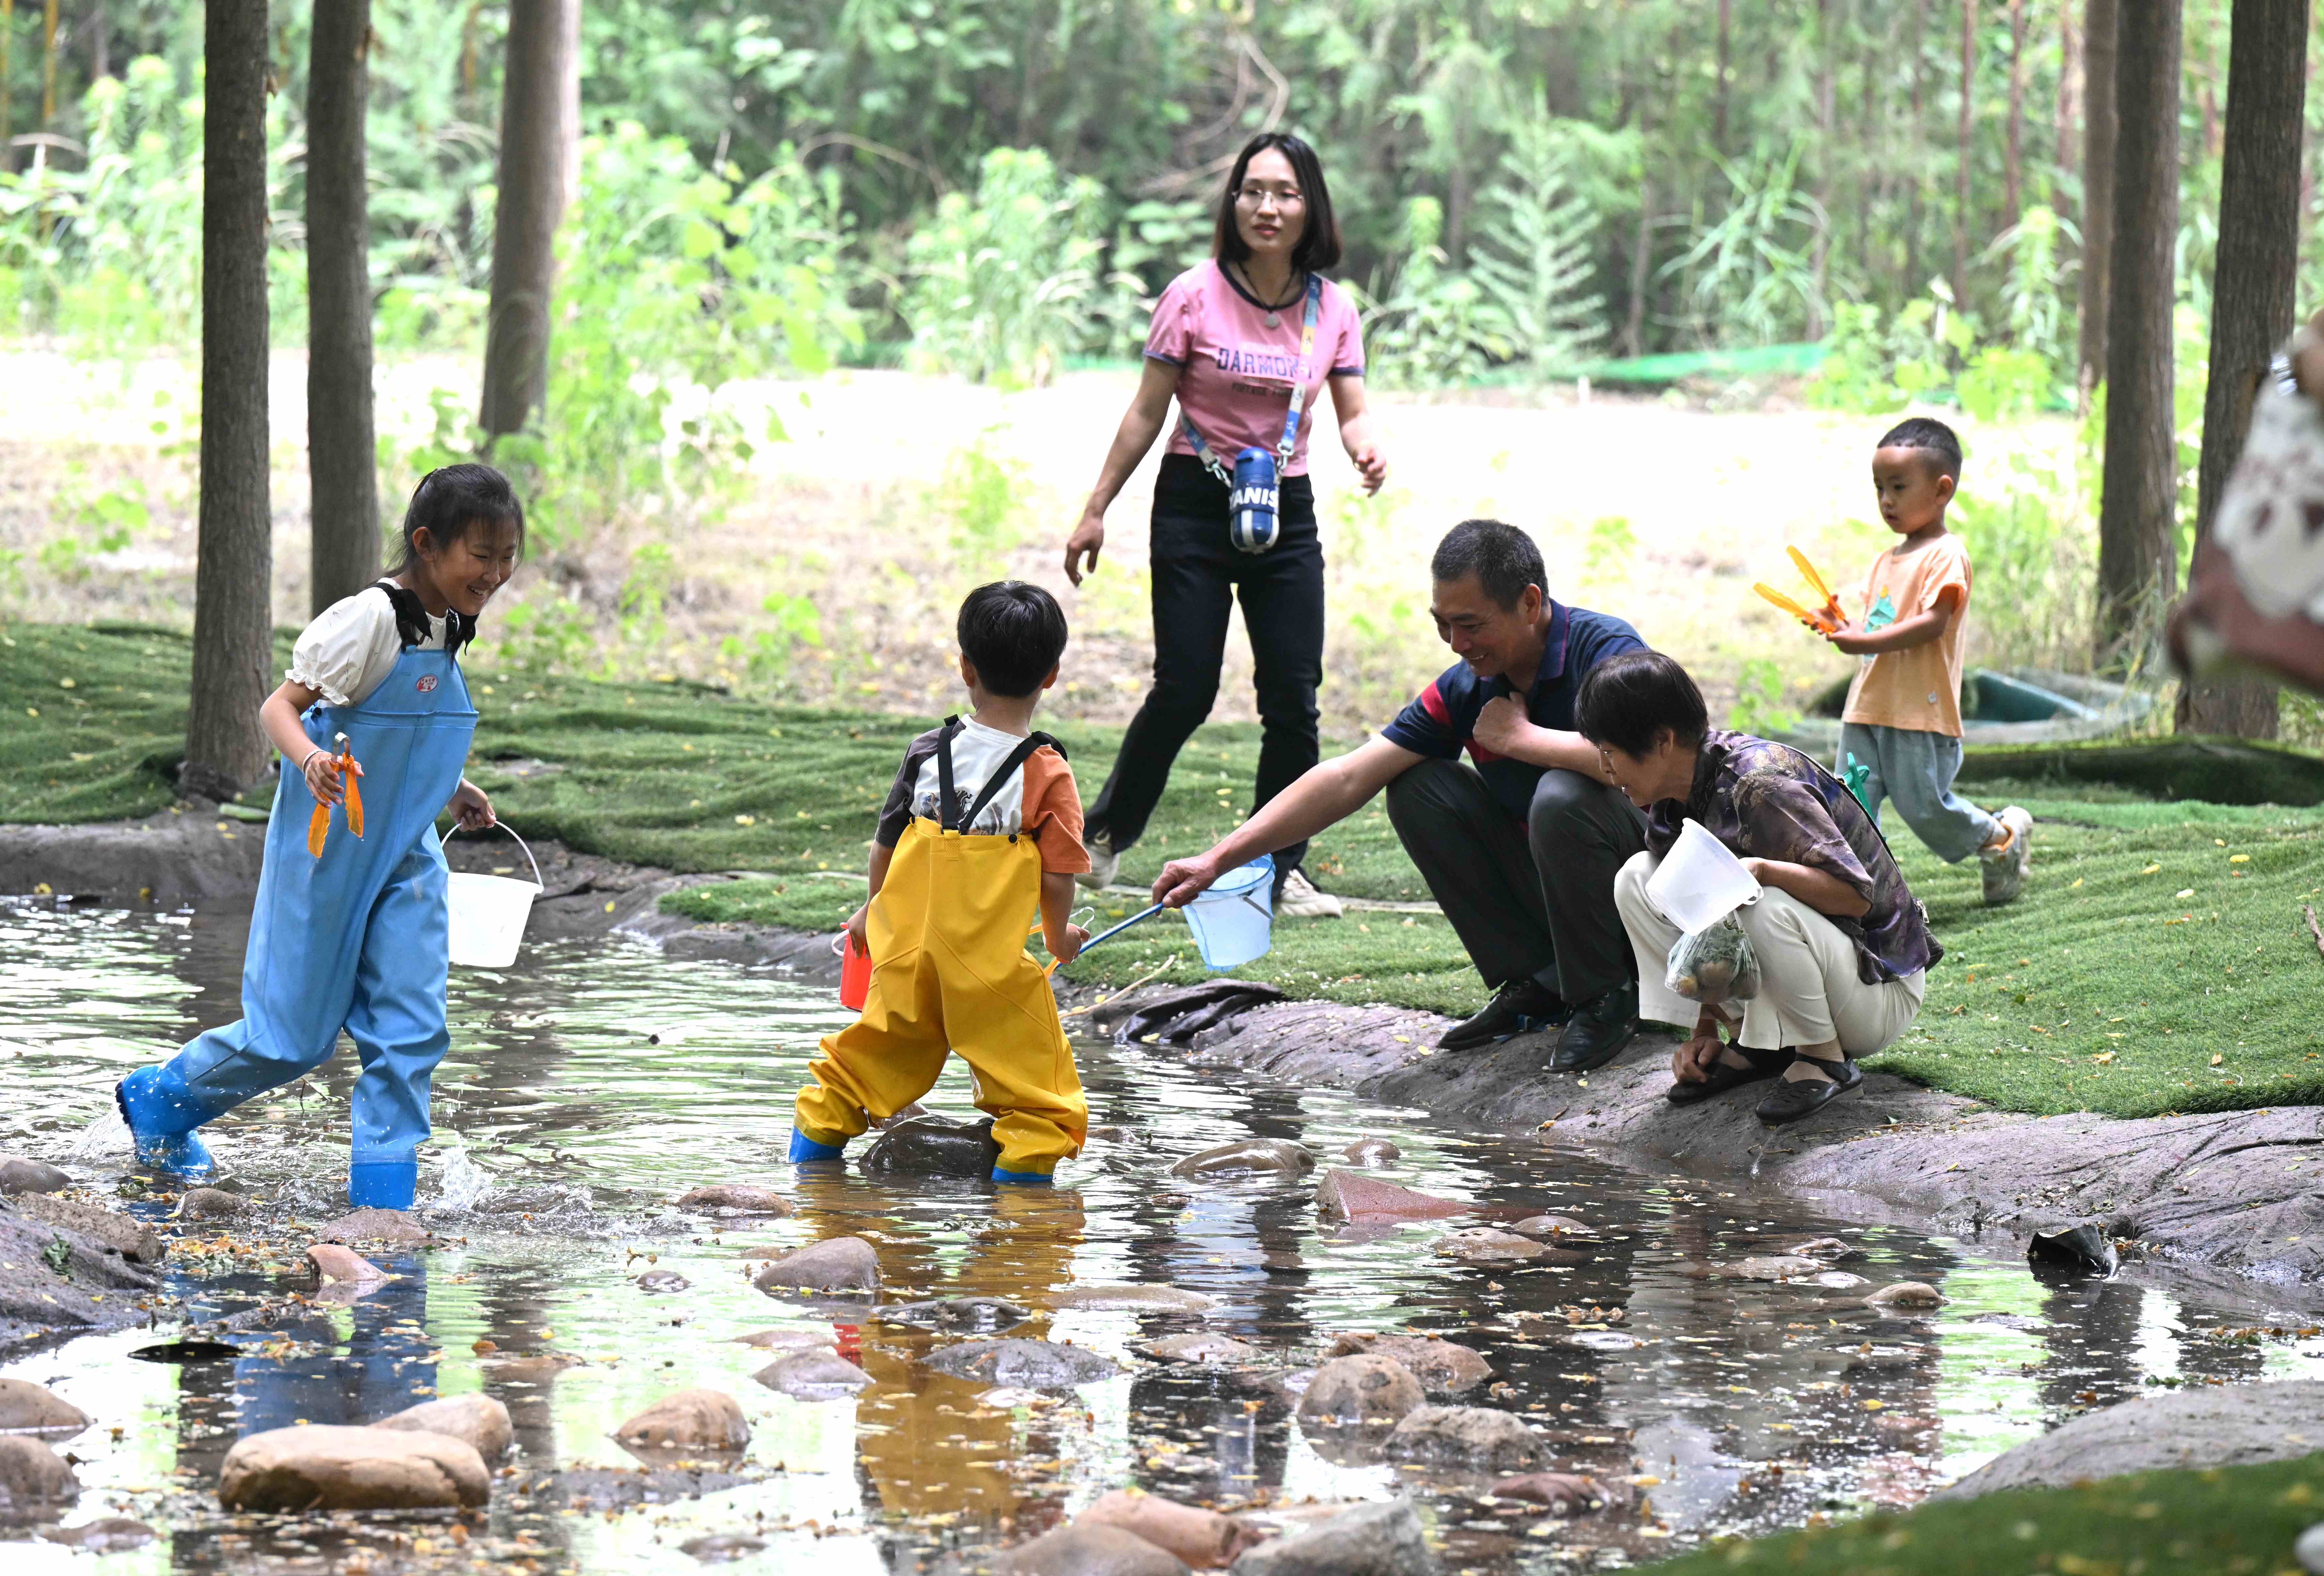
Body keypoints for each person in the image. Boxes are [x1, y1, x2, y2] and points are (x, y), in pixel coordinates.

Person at [113, 465, 520, 1207]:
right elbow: (281, 708)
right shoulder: (367, 619)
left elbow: (407, 732)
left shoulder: (451, 620)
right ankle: (161, 1100)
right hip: (328, 848)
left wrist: (449, 785)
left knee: (411, 1033)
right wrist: (309, 762)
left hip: (407, 855)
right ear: (427, 545)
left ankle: (382, 1214)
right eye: (481, 555)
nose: (495, 574)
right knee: (292, 1038)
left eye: (507, 556)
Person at [1151, 519, 1655, 1070]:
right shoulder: (1466, 687)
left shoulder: (1607, 651)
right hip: (1563, 896)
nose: (1458, 645)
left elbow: (1644, 765)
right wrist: (1216, 860)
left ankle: (1607, 995)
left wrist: (1523, 739)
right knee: (1419, 787)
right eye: (1444, 625)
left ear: (1530, 603)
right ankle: (1541, 981)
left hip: (1645, 898)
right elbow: (1347, 778)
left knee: (1560, 793)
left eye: (1471, 625)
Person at [1063, 131, 1386, 921]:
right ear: (1233, 201)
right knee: (1185, 687)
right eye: (1252, 191)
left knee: (1293, 697)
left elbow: (1352, 411)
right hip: (1192, 502)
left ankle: (1278, 869)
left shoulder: (1331, 308)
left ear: (1310, 206)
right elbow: (1146, 410)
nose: (1266, 207)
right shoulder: (1192, 295)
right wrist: (1096, 506)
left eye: (1284, 193)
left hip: (1287, 507)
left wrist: (1366, 448)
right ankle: (1102, 835)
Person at [789, 582, 1094, 1185]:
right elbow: (1059, 875)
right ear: (1053, 674)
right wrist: (1058, 938)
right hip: (987, 969)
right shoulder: (1048, 772)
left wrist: (870, 912)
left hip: (907, 953)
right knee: (1038, 1095)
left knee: (866, 1058)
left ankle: (813, 1185)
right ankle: (1022, 1241)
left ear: (965, 668)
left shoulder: (928, 751)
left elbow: (888, 846)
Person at [1582, 651, 1938, 1126]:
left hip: (1876, 987)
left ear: (1663, 741)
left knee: (1759, 898)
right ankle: (1754, 1041)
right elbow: (1696, 916)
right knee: (1638, 879)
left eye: (1610, 751)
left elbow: (1857, 896)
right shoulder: (1674, 798)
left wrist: (1763, 871)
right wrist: (1706, 1023)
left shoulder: (1760, 783)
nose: (1604, 767)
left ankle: (1823, 1057)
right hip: (1821, 971)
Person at [1823, 416, 2032, 905]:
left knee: (1924, 807)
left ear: (1942, 490)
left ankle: (2000, 839)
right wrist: (1836, 621)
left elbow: (1933, 622)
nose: (1886, 501)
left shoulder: (1947, 555)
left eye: (1898, 487)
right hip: (1867, 708)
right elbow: (1873, 624)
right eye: (1879, 488)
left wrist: (1863, 643)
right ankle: (1858, 893)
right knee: (1849, 805)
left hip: (1919, 711)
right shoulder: (1885, 560)